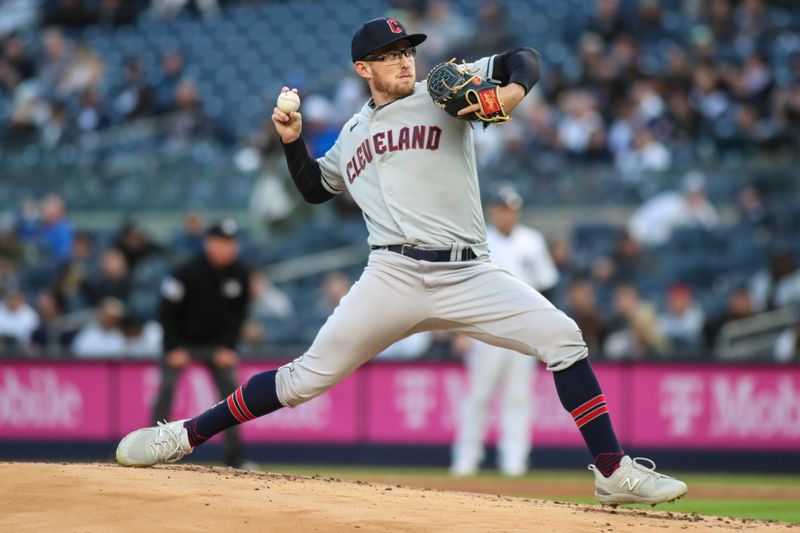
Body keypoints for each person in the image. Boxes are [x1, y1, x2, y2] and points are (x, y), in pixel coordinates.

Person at [116, 17, 687, 506]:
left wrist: (507, 94)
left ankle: (612, 471)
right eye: (389, 56)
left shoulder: (442, 90)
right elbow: (317, 188)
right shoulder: (353, 130)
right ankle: (185, 435)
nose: (404, 62)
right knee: (301, 381)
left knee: (563, 337)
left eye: (407, 51)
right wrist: (292, 140)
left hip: (467, 271)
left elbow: (524, 58)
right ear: (363, 68)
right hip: (390, 275)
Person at [450, 184, 558, 477]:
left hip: (523, 331)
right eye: (502, 208)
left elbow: (548, 287)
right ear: (493, 211)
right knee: (478, 395)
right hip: (485, 328)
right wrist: (461, 330)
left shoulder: (532, 241)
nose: (508, 214)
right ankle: (466, 459)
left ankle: (515, 461)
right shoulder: (478, 240)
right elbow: (463, 289)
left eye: (512, 209)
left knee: (518, 397)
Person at [150, 219, 250, 467]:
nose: (227, 248)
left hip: (217, 346)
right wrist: (172, 347)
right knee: (166, 388)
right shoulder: (186, 271)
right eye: (221, 242)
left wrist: (229, 347)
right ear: (209, 243)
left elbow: (238, 316)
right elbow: (166, 310)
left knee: (233, 393)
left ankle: (234, 456)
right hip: (181, 342)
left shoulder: (241, 273)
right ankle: (152, 448)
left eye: (231, 243)